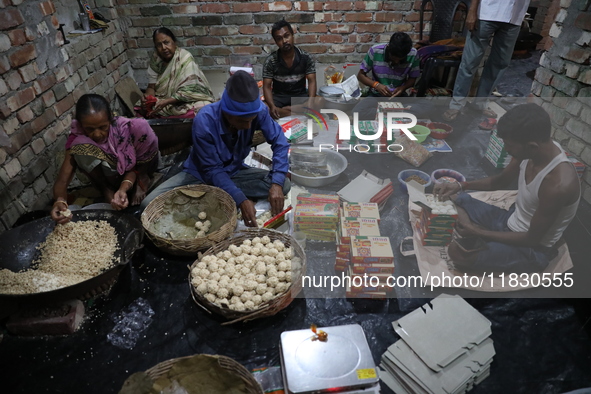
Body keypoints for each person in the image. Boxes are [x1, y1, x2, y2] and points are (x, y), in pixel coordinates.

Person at [434, 104, 580, 273]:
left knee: (457, 254)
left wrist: (478, 232)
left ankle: (480, 235)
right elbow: (499, 182)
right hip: (510, 219)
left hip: (530, 247)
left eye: (509, 145)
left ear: (532, 146)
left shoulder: (558, 185)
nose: (506, 149)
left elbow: (531, 239)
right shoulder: (531, 150)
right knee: (455, 197)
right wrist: (461, 185)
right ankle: (480, 233)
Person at [141, 71, 290, 227]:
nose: (247, 126)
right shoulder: (204, 121)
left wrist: (276, 184)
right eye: (242, 121)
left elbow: (280, 141)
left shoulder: (258, 112)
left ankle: (218, 196)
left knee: (283, 184)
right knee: (147, 205)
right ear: (227, 113)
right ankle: (218, 196)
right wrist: (240, 198)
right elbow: (212, 170)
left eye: (251, 121)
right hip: (201, 174)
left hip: (234, 172)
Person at [51, 94, 159, 224]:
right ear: (81, 125)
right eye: (89, 129)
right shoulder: (77, 137)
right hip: (110, 176)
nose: (97, 134)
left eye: (103, 127)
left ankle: (142, 178)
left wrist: (124, 187)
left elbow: (132, 168)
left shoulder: (125, 128)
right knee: (80, 147)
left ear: (111, 119)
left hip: (137, 166)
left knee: (141, 127)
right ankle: (106, 188)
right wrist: (59, 201)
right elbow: (62, 180)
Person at [442, 0, 531, 121]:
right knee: (470, 62)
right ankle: (456, 104)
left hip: (514, 17)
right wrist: (472, 11)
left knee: (499, 64)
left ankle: (480, 104)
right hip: (487, 13)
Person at [140, 27, 215, 118]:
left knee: (204, 108)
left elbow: (193, 88)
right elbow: (151, 87)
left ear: (174, 42)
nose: (163, 48)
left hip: (188, 99)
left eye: (166, 42)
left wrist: (167, 101)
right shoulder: (156, 59)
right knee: (141, 107)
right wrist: (147, 98)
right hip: (163, 100)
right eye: (159, 45)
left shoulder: (185, 57)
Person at [352, 32, 421, 120]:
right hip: (376, 96)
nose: (396, 62)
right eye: (394, 58)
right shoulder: (375, 51)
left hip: (399, 97)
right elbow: (360, 75)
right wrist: (376, 85)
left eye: (400, 60)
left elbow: (412, 78)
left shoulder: (413, 54)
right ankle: (394, 113)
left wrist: (402, 88)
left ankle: (386, 113)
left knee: (427, 106)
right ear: (388, 48)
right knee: (357, 112)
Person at [263, 20, 317, 120]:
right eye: (279, 39)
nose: (284, 41)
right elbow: (266, 86)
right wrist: (272, 106)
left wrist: (310, 103)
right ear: (276, 42)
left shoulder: (305, 57)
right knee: (263, 108)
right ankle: (297, 113)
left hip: (299, 96)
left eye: (286, 36)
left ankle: (286, 111)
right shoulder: (271, 61)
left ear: (292, 35)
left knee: (319, 101)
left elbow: (312, 80)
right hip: (279, 97)